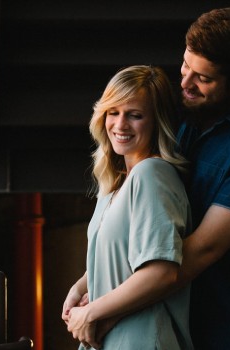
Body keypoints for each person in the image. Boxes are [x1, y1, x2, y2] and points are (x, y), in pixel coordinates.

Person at [71, 7, 230, 350]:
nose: (184, 83)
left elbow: (194, 252)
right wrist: (91, 285)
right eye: (185, 66)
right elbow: (147, 234)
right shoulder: (183, 117)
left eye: (203, 78)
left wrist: (104, 311)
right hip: (184, 326)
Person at [61, 65, 193, 350]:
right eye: (113, 112)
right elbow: (115, 256)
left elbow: (161, 272)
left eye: (135, 115)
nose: (120, 125)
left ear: (156, 121)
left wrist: (91, 312)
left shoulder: (152, 175)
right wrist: (80, 288)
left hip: (142, 340)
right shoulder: (113, 187)